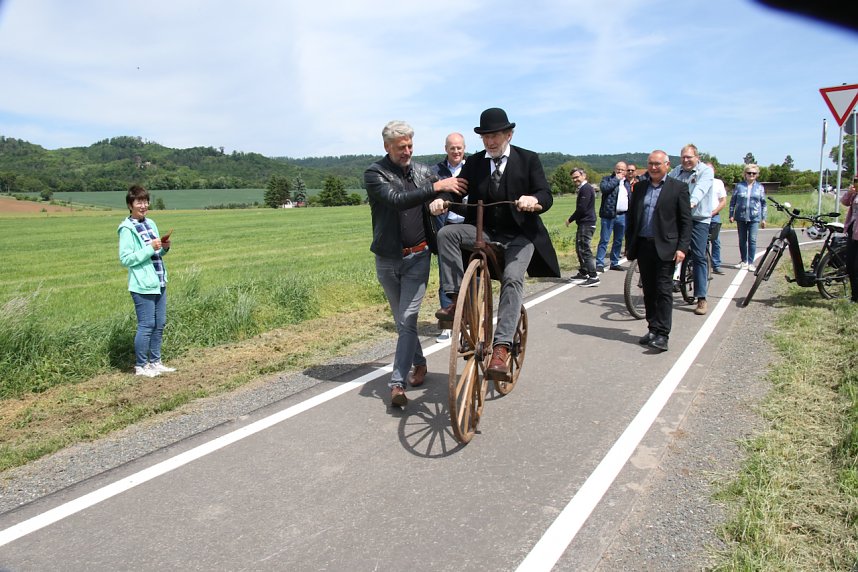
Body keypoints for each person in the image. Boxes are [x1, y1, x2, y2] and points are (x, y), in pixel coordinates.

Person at [431, 108, 559, 379]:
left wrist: (533, 201)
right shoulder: (476, 162)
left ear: (509, 134)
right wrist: (443, 199)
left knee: (512, 278)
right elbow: (459, 188)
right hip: (486, 231)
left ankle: (501, 348)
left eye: (495, 136)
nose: (490, 142)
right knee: (447, 234)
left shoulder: (528, 159)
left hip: (520, 236)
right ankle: (456, 301)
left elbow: (545, 194)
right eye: (485, 137)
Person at [364, 121, 466, 407]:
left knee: (408, 319)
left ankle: (397, 383)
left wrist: (441, 198)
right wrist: (435, 186)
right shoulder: (375, 174)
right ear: (387, 147)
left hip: (418, 257)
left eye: (410, 145)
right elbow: (396, 200)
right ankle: (419, 363)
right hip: (387, 260)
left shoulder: (423, 171)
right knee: (402, 323)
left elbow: (447, 191)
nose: (407, 151)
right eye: (401, 147)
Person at [625, 150, 692, 352]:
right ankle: (653, 328)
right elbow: (633, 217)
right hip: (644, 245)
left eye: (657, 164)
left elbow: (686, 221)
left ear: (667, 165)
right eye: (650, 164)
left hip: (666, 247)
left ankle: (663, 334)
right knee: (649, 290)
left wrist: (682, 248)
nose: (654, 167)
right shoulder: (640, 187)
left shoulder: (678, 188)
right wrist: (630, 244)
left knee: (663, 291)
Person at [118, 185, 176, 377]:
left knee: (160, 324)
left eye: (145, 201)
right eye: (139, 202)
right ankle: (141, 366)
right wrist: (151, 248)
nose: (143, 205)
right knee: (146, 325)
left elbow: (157, 253)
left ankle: (155, 362)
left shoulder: (151, 223)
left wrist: (164, 248)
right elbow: (126, 259)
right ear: (130, 205)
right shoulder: (127, 229)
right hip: (142, 284)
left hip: (159, 280)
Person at [668, 144, 714, 316]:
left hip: (698, 218)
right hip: (679, 217)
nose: (686, 160)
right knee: (669, 249)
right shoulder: (677, 171)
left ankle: (701, 297)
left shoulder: (706, 171)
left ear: (697, 157)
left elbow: (700, 190)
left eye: (689, 157)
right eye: (683, 157)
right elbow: (666, 186)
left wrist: (691, 203)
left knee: (698, 255)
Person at [431, 132, 467, 342]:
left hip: (469, 225)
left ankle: (470, 319)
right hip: (446, 226)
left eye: (459, 148)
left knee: (475, 275)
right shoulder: (436, 171)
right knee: (448, 276)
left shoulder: (473, 168)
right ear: (446, 149)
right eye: (452, 148)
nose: (456, 151)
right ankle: (448, 324)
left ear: (464, 148)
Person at [729, 163, 767, 271]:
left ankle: (751, 262)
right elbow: (733, 201)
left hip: (754, 217)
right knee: (742, 240)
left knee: (752, 240)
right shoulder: (739, 186)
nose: (751, 175)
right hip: (740, 217)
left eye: (754, 173)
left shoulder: (760, 187)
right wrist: (731, 215)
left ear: (757, 175)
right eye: (749, 173)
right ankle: (743, 261)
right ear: (745, 174)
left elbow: (764, 203)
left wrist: (764, 218)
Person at [565, 167, 599, 287]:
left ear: (584, 176)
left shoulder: (586, 188)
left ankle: (593, 276)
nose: (575, 179)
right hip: (585, 222)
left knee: (584, 249)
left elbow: (582, 208)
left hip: (587, 223)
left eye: (577, 177)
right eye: (573, 178)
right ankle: (584, 272)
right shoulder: (584, 188)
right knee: (579, 247)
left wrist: (570, 219)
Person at [596, 162, 631, 272]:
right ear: (614, 169)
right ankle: (599, 263)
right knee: (604, 240)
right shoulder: (607, 179)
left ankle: (614, 262)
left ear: (625, 171)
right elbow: (605, 189)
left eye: (622, 170)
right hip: (609, 215)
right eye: (618, 169)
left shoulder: (627, 184)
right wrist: (616, 179)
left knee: (618, 240)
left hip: (622, 215)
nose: (620, 171)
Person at [707, 162, 728, 275]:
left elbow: (723, 201)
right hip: (701, 217)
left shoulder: (718, 183)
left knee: (716, 241)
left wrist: (714, 211)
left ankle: (716, 265)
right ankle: (703, 265)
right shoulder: (699, 182)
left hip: (714, 216)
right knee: (701, 243)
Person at [841, 176, 858, 303]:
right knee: (850, 265)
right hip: (852, 231)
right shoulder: (854, 194)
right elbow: (844, 202)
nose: (856, 183)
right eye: (855, 181)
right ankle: (854, 296)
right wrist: (850, 192)